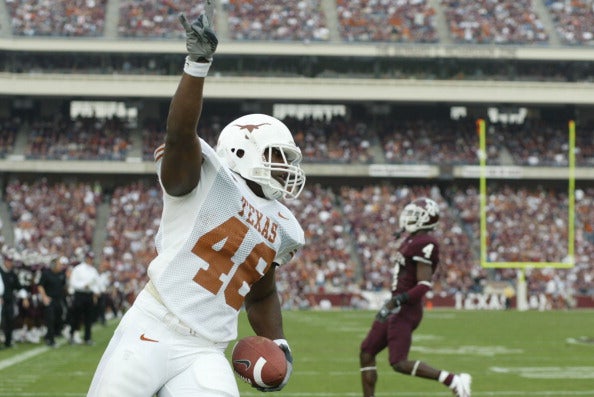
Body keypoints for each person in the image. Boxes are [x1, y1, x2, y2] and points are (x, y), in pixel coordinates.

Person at [88, 6, 305, 397]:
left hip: (205, 349)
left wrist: (280, 344)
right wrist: (197, 65)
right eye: (276, 156)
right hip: (152, 328)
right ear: (242, 152)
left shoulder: (283, 223)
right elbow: (180, 134)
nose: (285, 168)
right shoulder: (206, 179)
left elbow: (262, 292)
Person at [359, 197, 472, 397]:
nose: (409, 218)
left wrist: (397, 301)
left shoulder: (425, 242)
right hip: (397, 305)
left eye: (415, 215)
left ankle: (454, 380)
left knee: (398, 362)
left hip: (405, 309)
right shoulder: (411, 239)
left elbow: (423, 285)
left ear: (426, 219)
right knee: (367, 351)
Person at [68, 251, 101, 345]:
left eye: (92, 258)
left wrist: (96, 292)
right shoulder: (78, 269)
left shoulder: (93, 270)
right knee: (76, 316)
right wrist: (83, 285)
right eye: (90, 258)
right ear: (86, 258)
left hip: (89, 295)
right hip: (79, 294)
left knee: (88, 317)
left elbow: (96, 283)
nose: (91, 260)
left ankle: (87, 337)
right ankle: (72, 336)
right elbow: (73, 282)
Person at [0, 248, 29, 348]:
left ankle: (8, 341)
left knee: (9, 321)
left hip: (9, 300)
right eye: (8, 261)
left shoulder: (12, 273)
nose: (10, 263)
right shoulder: (1, 272)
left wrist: (24, 297)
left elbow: (19, 286)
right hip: (1, 301)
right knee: (2, 321)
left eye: (11, 261)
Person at [38, 256, 67, 347]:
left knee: (58, 318)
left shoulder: (62, 274)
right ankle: (51, 340)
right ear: (53, 265)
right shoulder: (46, 274)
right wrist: (44, 297)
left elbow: (63, 286)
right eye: (59, 264)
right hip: (50, 300)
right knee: (50, 319)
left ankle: (50, 335)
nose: (61, 266)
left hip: (59, 300)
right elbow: (40, 286)